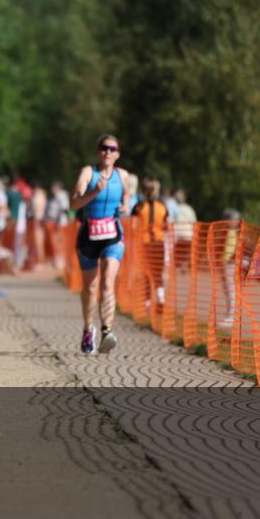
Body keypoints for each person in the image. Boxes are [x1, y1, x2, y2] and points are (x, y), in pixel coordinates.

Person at [69, 134, 131, 355]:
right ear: (99, 151)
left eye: (112, 149)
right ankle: (88, 330)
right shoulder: (88, 173)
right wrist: (95, 191)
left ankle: (107, 331)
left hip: (112, 235)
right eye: (104, 148)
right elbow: (73, 202)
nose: (108, 152)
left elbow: (129, 196)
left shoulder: (122, 175)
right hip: (88, 235)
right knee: (90, 287)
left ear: (118, 154)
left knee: (107, 281)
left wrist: (126, 205)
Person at [132, 178, 169, 314]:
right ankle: (161, 298)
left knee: (146, 272)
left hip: (144, 242)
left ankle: (147, 302)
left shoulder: (139, 207)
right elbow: (166, 226)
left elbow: (134, 225)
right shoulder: (163, 208)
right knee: (157, 272)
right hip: (159, 243)